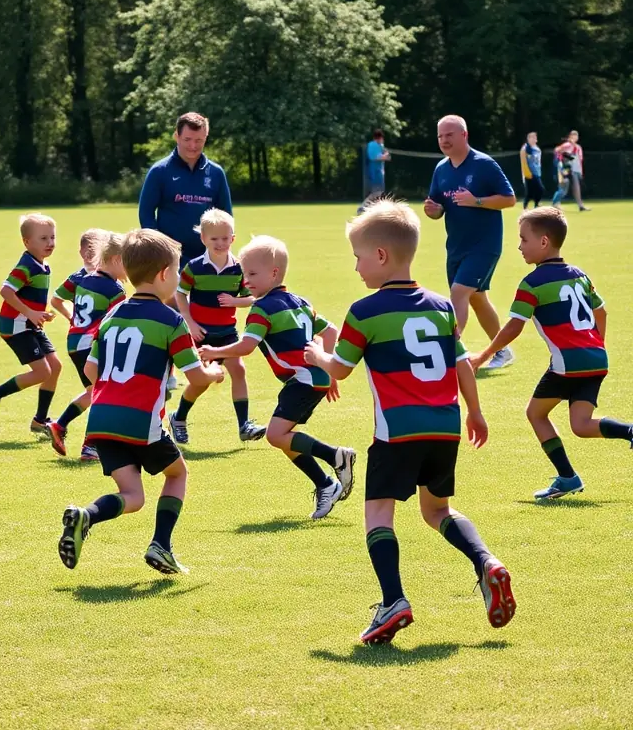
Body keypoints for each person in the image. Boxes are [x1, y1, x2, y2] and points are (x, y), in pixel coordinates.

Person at [303, 201, 516, 644]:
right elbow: (462, 366)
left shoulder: (365, 311)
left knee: (379, 514)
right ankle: (486, 562)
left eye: (359, 257)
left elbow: (339, 369)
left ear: (380, 256)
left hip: (396, 432)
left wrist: (316, 355)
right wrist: (475, 412)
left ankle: (393, 601)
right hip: (446, 428)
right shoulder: (441, 307)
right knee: (436, 509)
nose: (357, 267)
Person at [57, 229, 224, 576]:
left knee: (132, 495)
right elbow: (195, 377)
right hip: (140, 421)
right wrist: (214, 373)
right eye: (176, 271)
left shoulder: (112, 316)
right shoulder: (170, 320)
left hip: (101, 422)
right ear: (164, 273)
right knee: (177, 474)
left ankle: (87, 515)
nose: (177, 278)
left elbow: (91, 369)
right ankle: (161, 546)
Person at [470, 207, 630, 500]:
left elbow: (514, 327)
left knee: (535, 413)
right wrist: (597, 343)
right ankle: (630, 431)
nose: (519, 246)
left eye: (524, 239)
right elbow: (601, 311)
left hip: (568, 364)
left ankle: (568, 477)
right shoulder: (580, 275)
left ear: (543, 242)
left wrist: (482, 356)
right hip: (596, 358)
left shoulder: (533, 283)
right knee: (581, 425)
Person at [200, 235, 356, 520]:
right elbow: (331, 332)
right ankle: (325, 485)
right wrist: (330, 369)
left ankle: (336, 456)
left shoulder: (262, 309)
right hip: (312, 378)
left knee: (276, 435)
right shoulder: (299, 302)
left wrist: (214, 350)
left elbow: (246, 346)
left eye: (252, 274)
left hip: (302, 379)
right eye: (244, 273)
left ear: (274, 273)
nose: (246, 280)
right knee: (284, 437)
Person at [424, 114, 517, 369]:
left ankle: (451, 353)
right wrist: (433, 211)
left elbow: (509, 199)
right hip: (456, 246)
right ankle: (503, 351)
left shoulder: (484, 164)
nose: (444, 140)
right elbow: (437, 206)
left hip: (484, 246)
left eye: (449, 135)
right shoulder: (441, 169)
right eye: (440, 136)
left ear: (464, 135)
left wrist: (477, 200)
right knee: (476, 298)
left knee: (458, 292)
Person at [169, 209, 265, 444]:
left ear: (233, 238)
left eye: (225, 238)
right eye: (214, 239)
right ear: (203, 239)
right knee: (202, 381)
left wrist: (236, 301)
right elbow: (180, 295)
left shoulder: (239, 269)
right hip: (202, 333)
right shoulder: (194, 267)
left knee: (239, 370)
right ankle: (178, 417)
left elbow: (254, 297)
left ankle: (244, 425)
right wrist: (190, 323)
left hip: (228, 332)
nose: (220, 243)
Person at [0, 213, 62, 434]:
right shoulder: (26, 266)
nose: (50, 243)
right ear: (27, 242)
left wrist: (39, 314)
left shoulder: (42, 265)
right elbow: (6, 291)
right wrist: (30, 313)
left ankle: (39, 421)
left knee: (55, 367)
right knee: (42, 372)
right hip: (15, 327)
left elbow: (28, 298)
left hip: (29, 324)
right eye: (43, 238)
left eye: (52, 237)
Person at [48, 231, 127, 462]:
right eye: (128, 263)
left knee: (94, 392)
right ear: (115, 260)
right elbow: (117, 326)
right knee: (104, 394)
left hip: (74, 341)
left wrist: (73, 320)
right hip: (92, 344)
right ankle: (89, 446)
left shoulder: (81, 278)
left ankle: (60, 426)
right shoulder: (115, 291)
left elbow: (56, 299)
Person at [138, 112, 233, 269]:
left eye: (199, 140)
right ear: (176, 136)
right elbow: (146, 213)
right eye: (187, 140)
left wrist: (221, 247)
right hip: (169, 260)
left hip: (208, 258)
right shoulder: (160, 171)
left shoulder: (216, 173)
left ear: (206, 138)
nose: (193, 146)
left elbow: (226, 215)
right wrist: (158, 247)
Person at [553, 131, 588, 210]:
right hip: (567, 168)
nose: (575, 137)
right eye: (573, 135)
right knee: (565, 186)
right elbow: (557, 150)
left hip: (575, 169)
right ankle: (556, 203)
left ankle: (580, 205)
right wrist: (568, 158)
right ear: (570, 136)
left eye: (576, 136)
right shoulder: (567, 145)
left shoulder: (578, 147)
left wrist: (580, 171)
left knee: (573, 186)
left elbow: (579, 160)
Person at [362, 129, 391, 205]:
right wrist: (384, 156)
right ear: (379, 137)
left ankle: (376, 207)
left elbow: (388, 157)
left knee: (380, 192)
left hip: (380, 172)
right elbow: (374, 157)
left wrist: (385, 155)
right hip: (374, 172)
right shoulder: (372, 145)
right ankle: (363, 207)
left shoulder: (380, 146)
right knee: (376, 192)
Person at [520, 131, 543, 209]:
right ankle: (526, 207)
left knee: (537, 190)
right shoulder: (525, 148)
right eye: (532, 137)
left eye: (535, 137)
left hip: (537, 173)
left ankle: (536, 205)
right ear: (528, 139)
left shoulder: (537, 149)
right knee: (533, 191)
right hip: (529, 173)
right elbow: (524, 162)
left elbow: (538, 162)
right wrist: (527, 173)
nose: (534, 139)